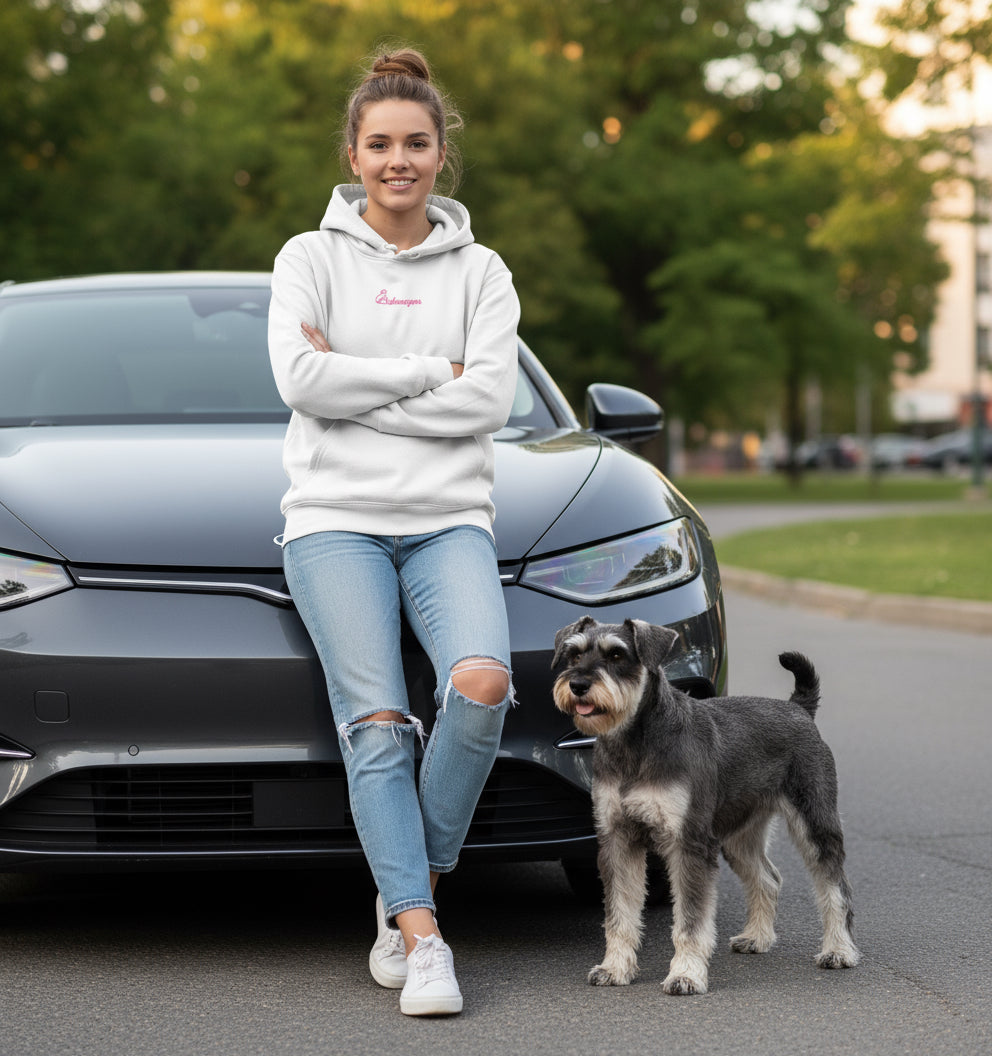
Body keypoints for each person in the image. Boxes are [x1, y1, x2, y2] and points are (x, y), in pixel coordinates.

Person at [267, 48, 520, 1017]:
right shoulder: (309, 259)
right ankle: (421, 935)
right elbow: (299, 383)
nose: (397, 160)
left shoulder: (483, 273)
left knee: (482, 686)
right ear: (353, 152)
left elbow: (486, 402)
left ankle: (401, 871)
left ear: (441, 153)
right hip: (333, 524)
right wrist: (430, 374)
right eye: (380, 144)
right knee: (377, 725)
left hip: (448, 521)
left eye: (416, 142)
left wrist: (362, 385)